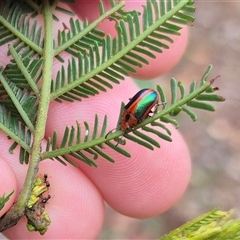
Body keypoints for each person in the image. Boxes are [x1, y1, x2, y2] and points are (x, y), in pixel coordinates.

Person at [0, 1, 191, 238]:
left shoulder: (128, 116)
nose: (125, 127)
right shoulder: (129, 118)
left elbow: (140, 108)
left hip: (146, 99)